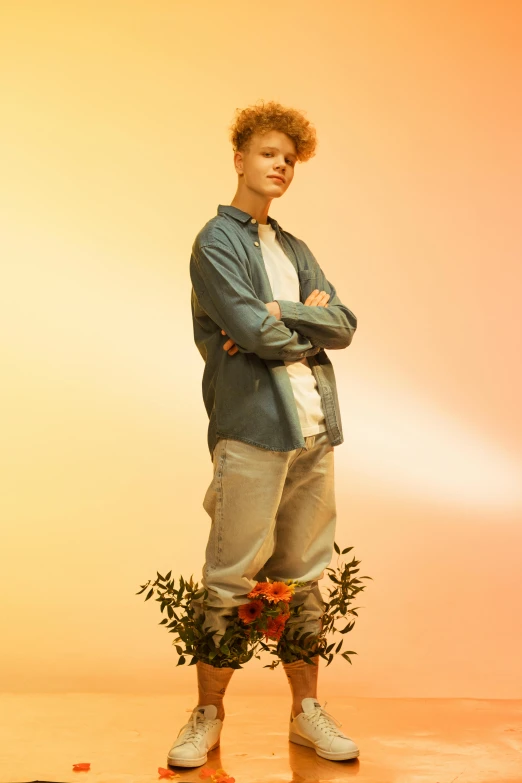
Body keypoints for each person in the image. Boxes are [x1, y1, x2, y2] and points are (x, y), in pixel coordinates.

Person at [167, 100, 359, 769]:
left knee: (305, 576)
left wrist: (279, 314)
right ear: (241, 157)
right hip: (252, 430)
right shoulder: (215, 243)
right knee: (231, 577)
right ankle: (208, 714)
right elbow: (253, 331)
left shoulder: (294, 248)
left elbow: (345, 324)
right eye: (270, 153)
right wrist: (292, 322)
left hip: (314, 430)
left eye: (291, 159)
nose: (281, 166)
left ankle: (306, 712)